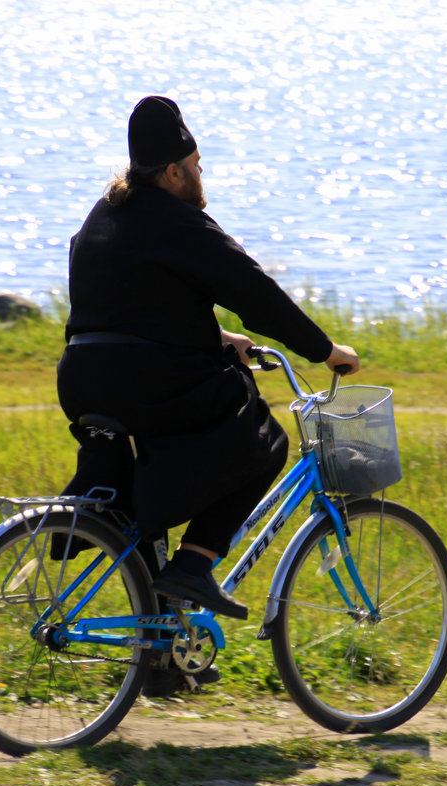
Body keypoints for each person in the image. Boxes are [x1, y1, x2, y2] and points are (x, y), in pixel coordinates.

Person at [56, 95, 360, 633]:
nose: (201, 176)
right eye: (197, 167)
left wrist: (218, 337)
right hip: (145, 383)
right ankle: (196, 564)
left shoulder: (103, 216)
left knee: (140, 496)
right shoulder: (180, 223)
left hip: (82, 380)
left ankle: (161, 654)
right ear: (173, 171)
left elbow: (124, 307)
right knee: (261, 439)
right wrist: (325, 351)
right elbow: (255, 292)